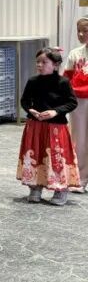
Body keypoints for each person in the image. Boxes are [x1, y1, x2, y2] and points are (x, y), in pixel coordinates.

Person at [19, 47, 80, 205]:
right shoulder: (33, 81)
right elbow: (24, 101)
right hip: (35, 126)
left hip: (56, 127)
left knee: (56, 158)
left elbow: (72, 102)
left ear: (55, 65)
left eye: (44, 62)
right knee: (36, 155)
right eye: (37, 62)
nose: (39, 65)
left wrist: (55, 112)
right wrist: (30, 110)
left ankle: (60, 189)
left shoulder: (63, 82)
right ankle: (35, 186)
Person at [62, 17, 88, 191]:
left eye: (85, 30)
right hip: (78, 101)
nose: (80, 34)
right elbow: (66, 79)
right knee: (79, 140)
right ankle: (80, 179)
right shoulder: (74, 54)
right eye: (79, 30)